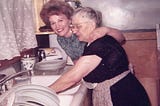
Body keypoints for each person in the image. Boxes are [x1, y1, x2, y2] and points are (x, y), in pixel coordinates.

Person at [49, 7, 150, 106]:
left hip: (123, 97)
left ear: (91, 25)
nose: (74, 31)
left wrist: (42, 92)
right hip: (124, 93)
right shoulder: (92, 43)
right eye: (73, 26)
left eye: (77, 26)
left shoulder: (99, 45)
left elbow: (73, 77)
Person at [40, 0, 125, 62]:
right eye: (53, 23)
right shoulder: (61, 39)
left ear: (70, 19)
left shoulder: (82, 31)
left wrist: (106, 29)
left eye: (60, 20)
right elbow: (76, 59)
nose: (57, 26)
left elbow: (121, 38)